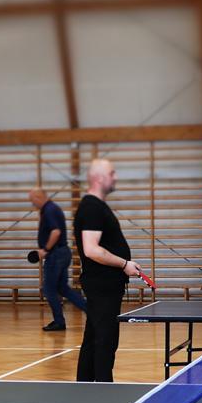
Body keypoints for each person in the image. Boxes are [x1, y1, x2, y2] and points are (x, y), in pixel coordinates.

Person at [73, 158, 141, 382]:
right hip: (102, 286)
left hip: (104, 285)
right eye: (112, 173)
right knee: (105, 340)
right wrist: (124, 264)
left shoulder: (96, 206)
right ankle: (104, 387)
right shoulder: (92, 208)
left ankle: (85, 386)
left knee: (94, 338)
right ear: (99, 178)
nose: (116, 177)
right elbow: (91, 249)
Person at [29, 188, 86, 332]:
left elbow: (56, 232)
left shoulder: (49, 210)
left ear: (39, 197)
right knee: (62, 288)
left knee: (49, 289)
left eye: (33, 200)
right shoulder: (52, 208)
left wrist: (45, 249)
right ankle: (91, 311)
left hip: (55, 255)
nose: (32, 203)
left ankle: (59, 322)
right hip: (62, 253)